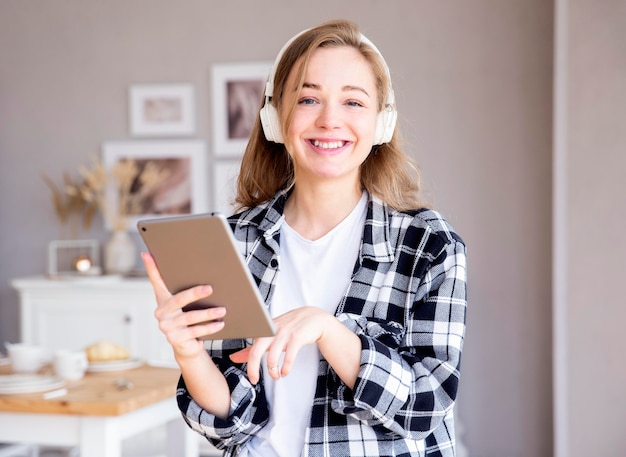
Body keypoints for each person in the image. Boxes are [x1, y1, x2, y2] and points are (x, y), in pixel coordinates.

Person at [142, 19, 467, 457]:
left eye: (353, 101)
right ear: (276, 119)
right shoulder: (235, 241)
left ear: (381, 122)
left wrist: (329, 330)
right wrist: (188, 354)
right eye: (309, 98)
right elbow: (229, 424)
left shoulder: (429, 244)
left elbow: (427, 407)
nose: (330, 120)